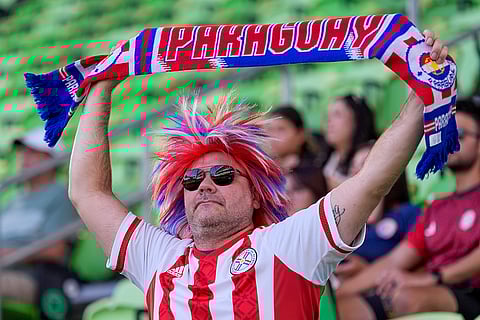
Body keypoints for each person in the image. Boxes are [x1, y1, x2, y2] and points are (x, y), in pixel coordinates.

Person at [67, 31, 447, 319]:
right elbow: (87, 193)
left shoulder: (288, 244)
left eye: (222, 174)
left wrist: (422, 90)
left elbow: (373, 177)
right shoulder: (158, 256)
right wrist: (102, 88)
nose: (206, 185)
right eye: (192, 180)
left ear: (254, 195)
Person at [335, 97, 480, 320]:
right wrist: (342, 292)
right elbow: (395, 260)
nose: (450, 140)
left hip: (469, 293)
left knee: (403, 297)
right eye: (445, 133)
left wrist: (432, 278)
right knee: (346, 304)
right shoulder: (437, 206)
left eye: (459, 134)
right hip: (432, 287)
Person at [0, 127, 79, 319]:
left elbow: (56, 250)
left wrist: (9, 254)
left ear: (51, 160)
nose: (24, 158)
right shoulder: (12, 199)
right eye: (24, 152)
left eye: (33, 153)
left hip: (32, 275)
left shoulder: (61, 195)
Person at [334, 141, 421, 281]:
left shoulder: (409, 214)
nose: (356, 173)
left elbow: (422, 272)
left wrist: (366, 271)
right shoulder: (340, 222)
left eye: (365, 165)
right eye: (353, 167)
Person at [323, 94, 377, 190]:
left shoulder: (366, 156)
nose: (329, 121)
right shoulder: (333, 157)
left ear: (357, 119)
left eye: (337, 114)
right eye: (328, 116)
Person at [267, 105, 330, 173]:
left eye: (281, 129)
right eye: (270, 129)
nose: (273, 136)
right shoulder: (266, 164)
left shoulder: (316, 168)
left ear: (300, 134)